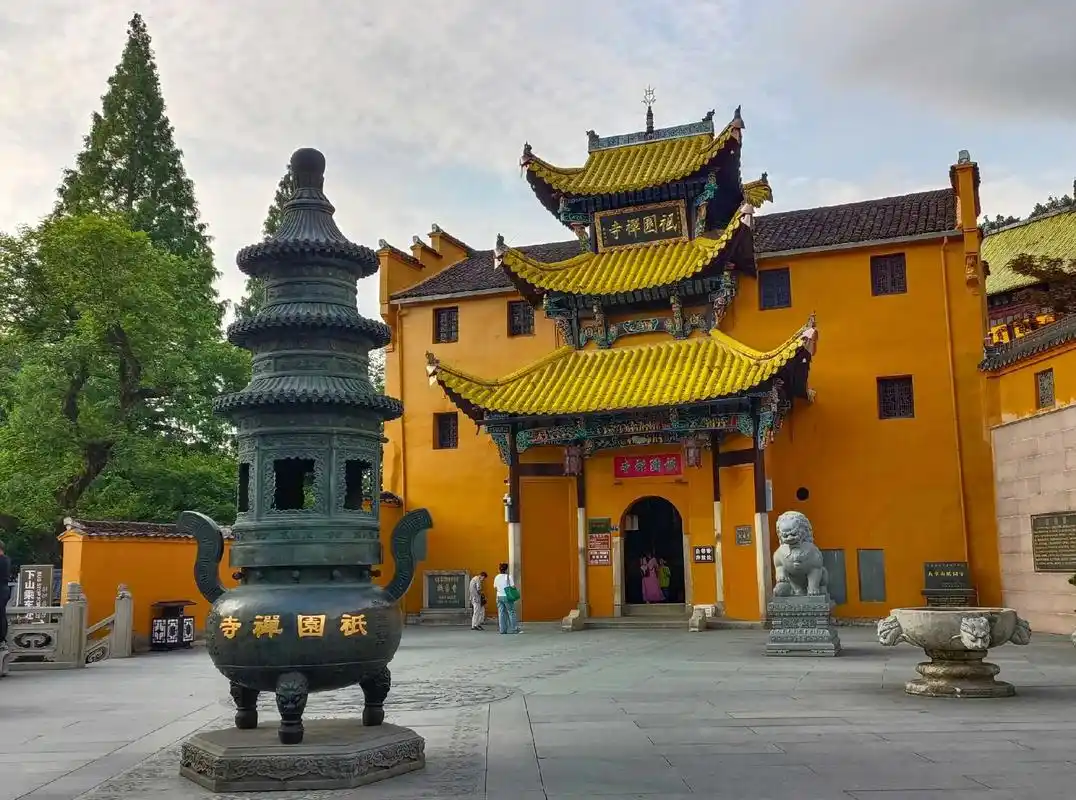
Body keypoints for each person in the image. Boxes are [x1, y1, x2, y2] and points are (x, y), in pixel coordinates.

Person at [492, 562, 520, 634]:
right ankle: (514, 629)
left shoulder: (496, 577)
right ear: (506, 569)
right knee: (511, 612)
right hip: (507, 596)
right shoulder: (508, 577)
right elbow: (513, 586)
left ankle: (502, 630)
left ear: (499, 569)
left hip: (499, 596)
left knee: (501, 613)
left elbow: (495, 587)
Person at [0, 540, 11, 647]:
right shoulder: (6, 559)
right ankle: (2, 639)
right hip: (4, 589)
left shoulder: (2, 560)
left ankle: (1, 639)